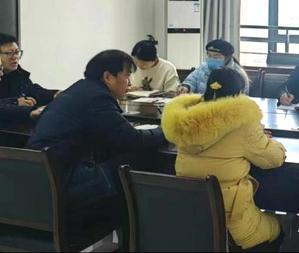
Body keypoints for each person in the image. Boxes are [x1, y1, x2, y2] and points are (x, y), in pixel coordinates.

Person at [28, 50, 167, 223]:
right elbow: (134, 139)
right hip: (66, 182)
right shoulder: (97, 98)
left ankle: (131, 228)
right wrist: (167, 131)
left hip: (40, 179)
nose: (130, 83)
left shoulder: (78, 90)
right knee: (140, 158)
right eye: (127, 76)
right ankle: (141, 228)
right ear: (108, 76)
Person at [162, 68, 286, 252]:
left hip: (191, 222)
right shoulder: (244, 121)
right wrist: (269, 141)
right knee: (278, 227)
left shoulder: (185, 121)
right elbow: (273, 159)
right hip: (231, 230)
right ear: (240, 93)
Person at [0, 33, 59, 116]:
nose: (15, 57)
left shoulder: (17, 74)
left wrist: (54, 94)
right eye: (9, 53)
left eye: (17, 52)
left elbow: (33, 91)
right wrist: (16, 103)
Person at [177, 39, 248, 95]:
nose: (212, 59)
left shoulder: (237, 73)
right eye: (209, 56)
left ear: (227, 58)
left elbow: (242, 96)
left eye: (216, 57)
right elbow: (191, 81)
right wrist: (187, 87)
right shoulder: (203, 68)